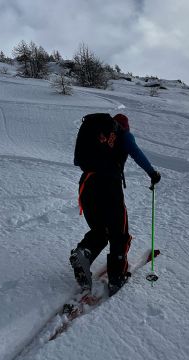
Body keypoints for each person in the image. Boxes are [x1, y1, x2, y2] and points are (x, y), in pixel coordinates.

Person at [70, 113, 161, 296]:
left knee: (100, 230)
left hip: (86, 185)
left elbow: (77, 161)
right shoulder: (124, 134)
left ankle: (84, 252)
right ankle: (116, 277)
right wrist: (152, 173)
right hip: (109, 186)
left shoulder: (96, 134)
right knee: (119, 232)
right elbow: (137, 154)